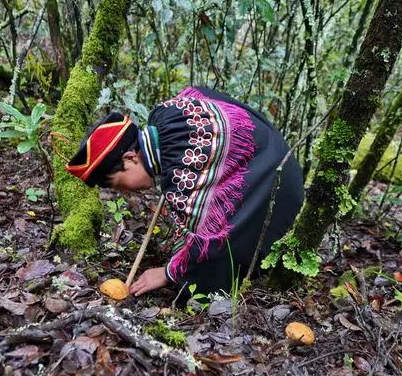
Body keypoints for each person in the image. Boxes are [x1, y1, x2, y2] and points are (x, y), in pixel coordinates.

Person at [66, 86, 304, 297]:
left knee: (208, 274)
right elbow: (202, 92)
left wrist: (169, 273)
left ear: (130, 158)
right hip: (281, 156)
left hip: (277, 190)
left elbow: (207, 243)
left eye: (119, 184)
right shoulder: (168, 113)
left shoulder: (180, 177)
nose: (126, 193)